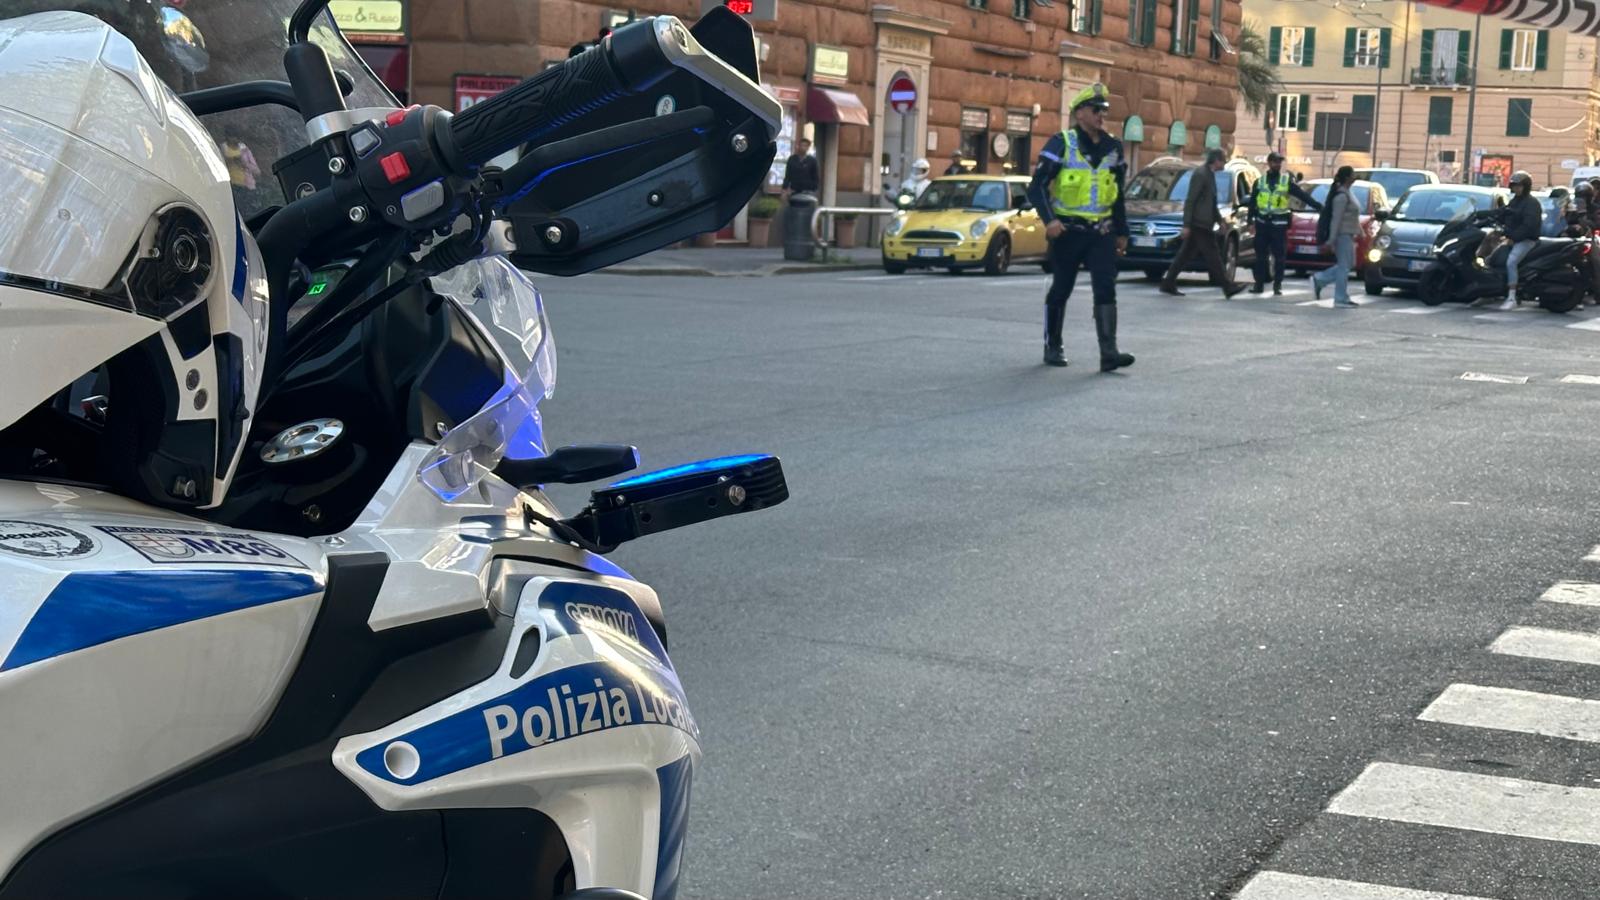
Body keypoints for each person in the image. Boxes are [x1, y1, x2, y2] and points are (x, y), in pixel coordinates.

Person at [1025, 82, 1135, 372]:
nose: (1101, 115)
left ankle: (1108, 352)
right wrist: (1050, 221)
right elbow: (1036, 188)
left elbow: (1118, 194)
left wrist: (1122, 232)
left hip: (1101, 232)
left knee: (1105, 287)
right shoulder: (1062, 143)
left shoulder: (1113, 147)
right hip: (1068, 233)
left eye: (1104, 111)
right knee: (1062, 288)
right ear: (1080, 113)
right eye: (1096, 110)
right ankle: (1053, 345)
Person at [1158, 148, 1246, 298]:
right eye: (1224, 160)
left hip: (1204, 223)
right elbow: (1191, 200)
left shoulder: (1210, 175)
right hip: (1199, 224)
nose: (1224, 163)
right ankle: (1227, 286)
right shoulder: (1200, 174)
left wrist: (1220, 220)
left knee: (1184, 255)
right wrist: (1186, 225)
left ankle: (1168, 282)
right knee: (1214, 256)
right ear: (1216, 161)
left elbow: (1211, 202)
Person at [1247, 151, 1321, 295]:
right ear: (1269, 163)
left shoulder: (1285, 182)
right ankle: (1259, 284)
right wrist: (1250, 221)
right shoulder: (1260, 181)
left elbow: (1302, 195)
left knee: (1279, 257)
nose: (1278, 164)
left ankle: (1277, 285)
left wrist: (1317, 206)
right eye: (1275, 161)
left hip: (1279, 225)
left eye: (1279, 162)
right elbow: (1252, 202)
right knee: (1260, 257)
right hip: (1262, 223)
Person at [1311, 166, 1360, 308]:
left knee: (1348, 265)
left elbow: (1352, 216)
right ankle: (1340, 298)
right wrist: (1331, 240)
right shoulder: (1341, 196)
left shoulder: (1348, 193)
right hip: (1342, 234)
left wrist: (1360, 231)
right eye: (1353, 174)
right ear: (1347, 178)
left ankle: (1320, 279)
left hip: (1348, 234)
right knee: (1344, 267)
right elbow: (1336, 219)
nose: (1355, 176)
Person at [1492, 170, 1542, 310]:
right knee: (1491, 258)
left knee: (1511, 262)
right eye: (1514, 186)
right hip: (1512, 237)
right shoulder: (1515, 201)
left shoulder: (1531, 203)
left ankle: (1512, 297)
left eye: (1519, 186)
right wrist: (1484, 215)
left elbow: (1528, 226)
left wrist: (1513, 236)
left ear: (1526, 187)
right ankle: (1489, 292)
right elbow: (1505, 213)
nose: (1516, 188)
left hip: (1526, 240)